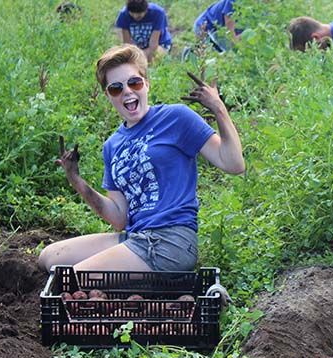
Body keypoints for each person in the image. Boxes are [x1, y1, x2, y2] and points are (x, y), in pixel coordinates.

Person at [38, 44, 244, 275]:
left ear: (146, 83)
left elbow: (234, 164)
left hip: (170, 241)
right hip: (136, 238)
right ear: (108, 95)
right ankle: (140, 284)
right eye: (116, 88)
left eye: (133, 82)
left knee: (76, 277)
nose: (127, 91)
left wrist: (219, 108)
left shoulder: (175, 117)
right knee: (48, 258)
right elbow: (119, 217)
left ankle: (162, 292)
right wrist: (75, 179)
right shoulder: (112, 146)